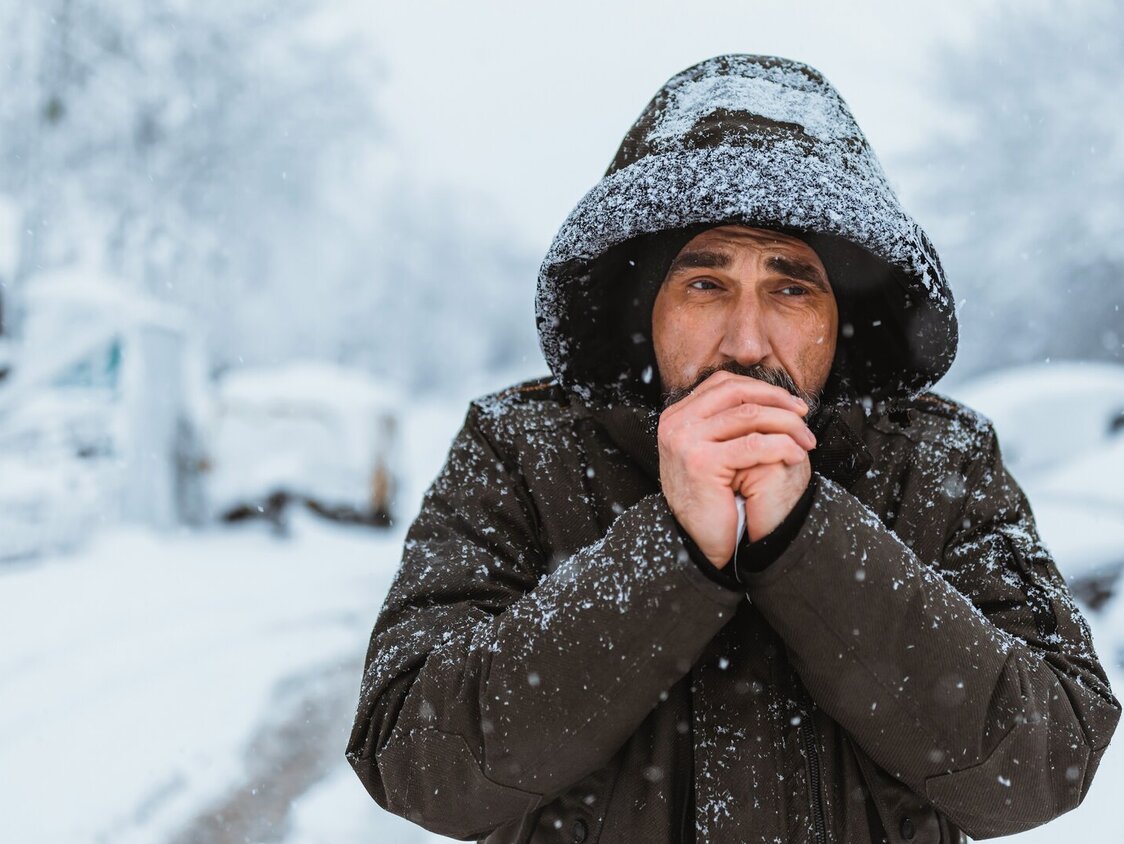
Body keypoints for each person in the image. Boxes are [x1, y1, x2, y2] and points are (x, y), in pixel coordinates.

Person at [346, 55, 1119, 843]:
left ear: (841, 320)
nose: (747, 344)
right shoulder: (522, 451)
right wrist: (671, 549)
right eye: (706, 284)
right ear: (645, 307)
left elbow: (1045, 763)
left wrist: (806, 535)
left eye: (791, 287)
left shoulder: (941, 464)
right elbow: (414, 763)